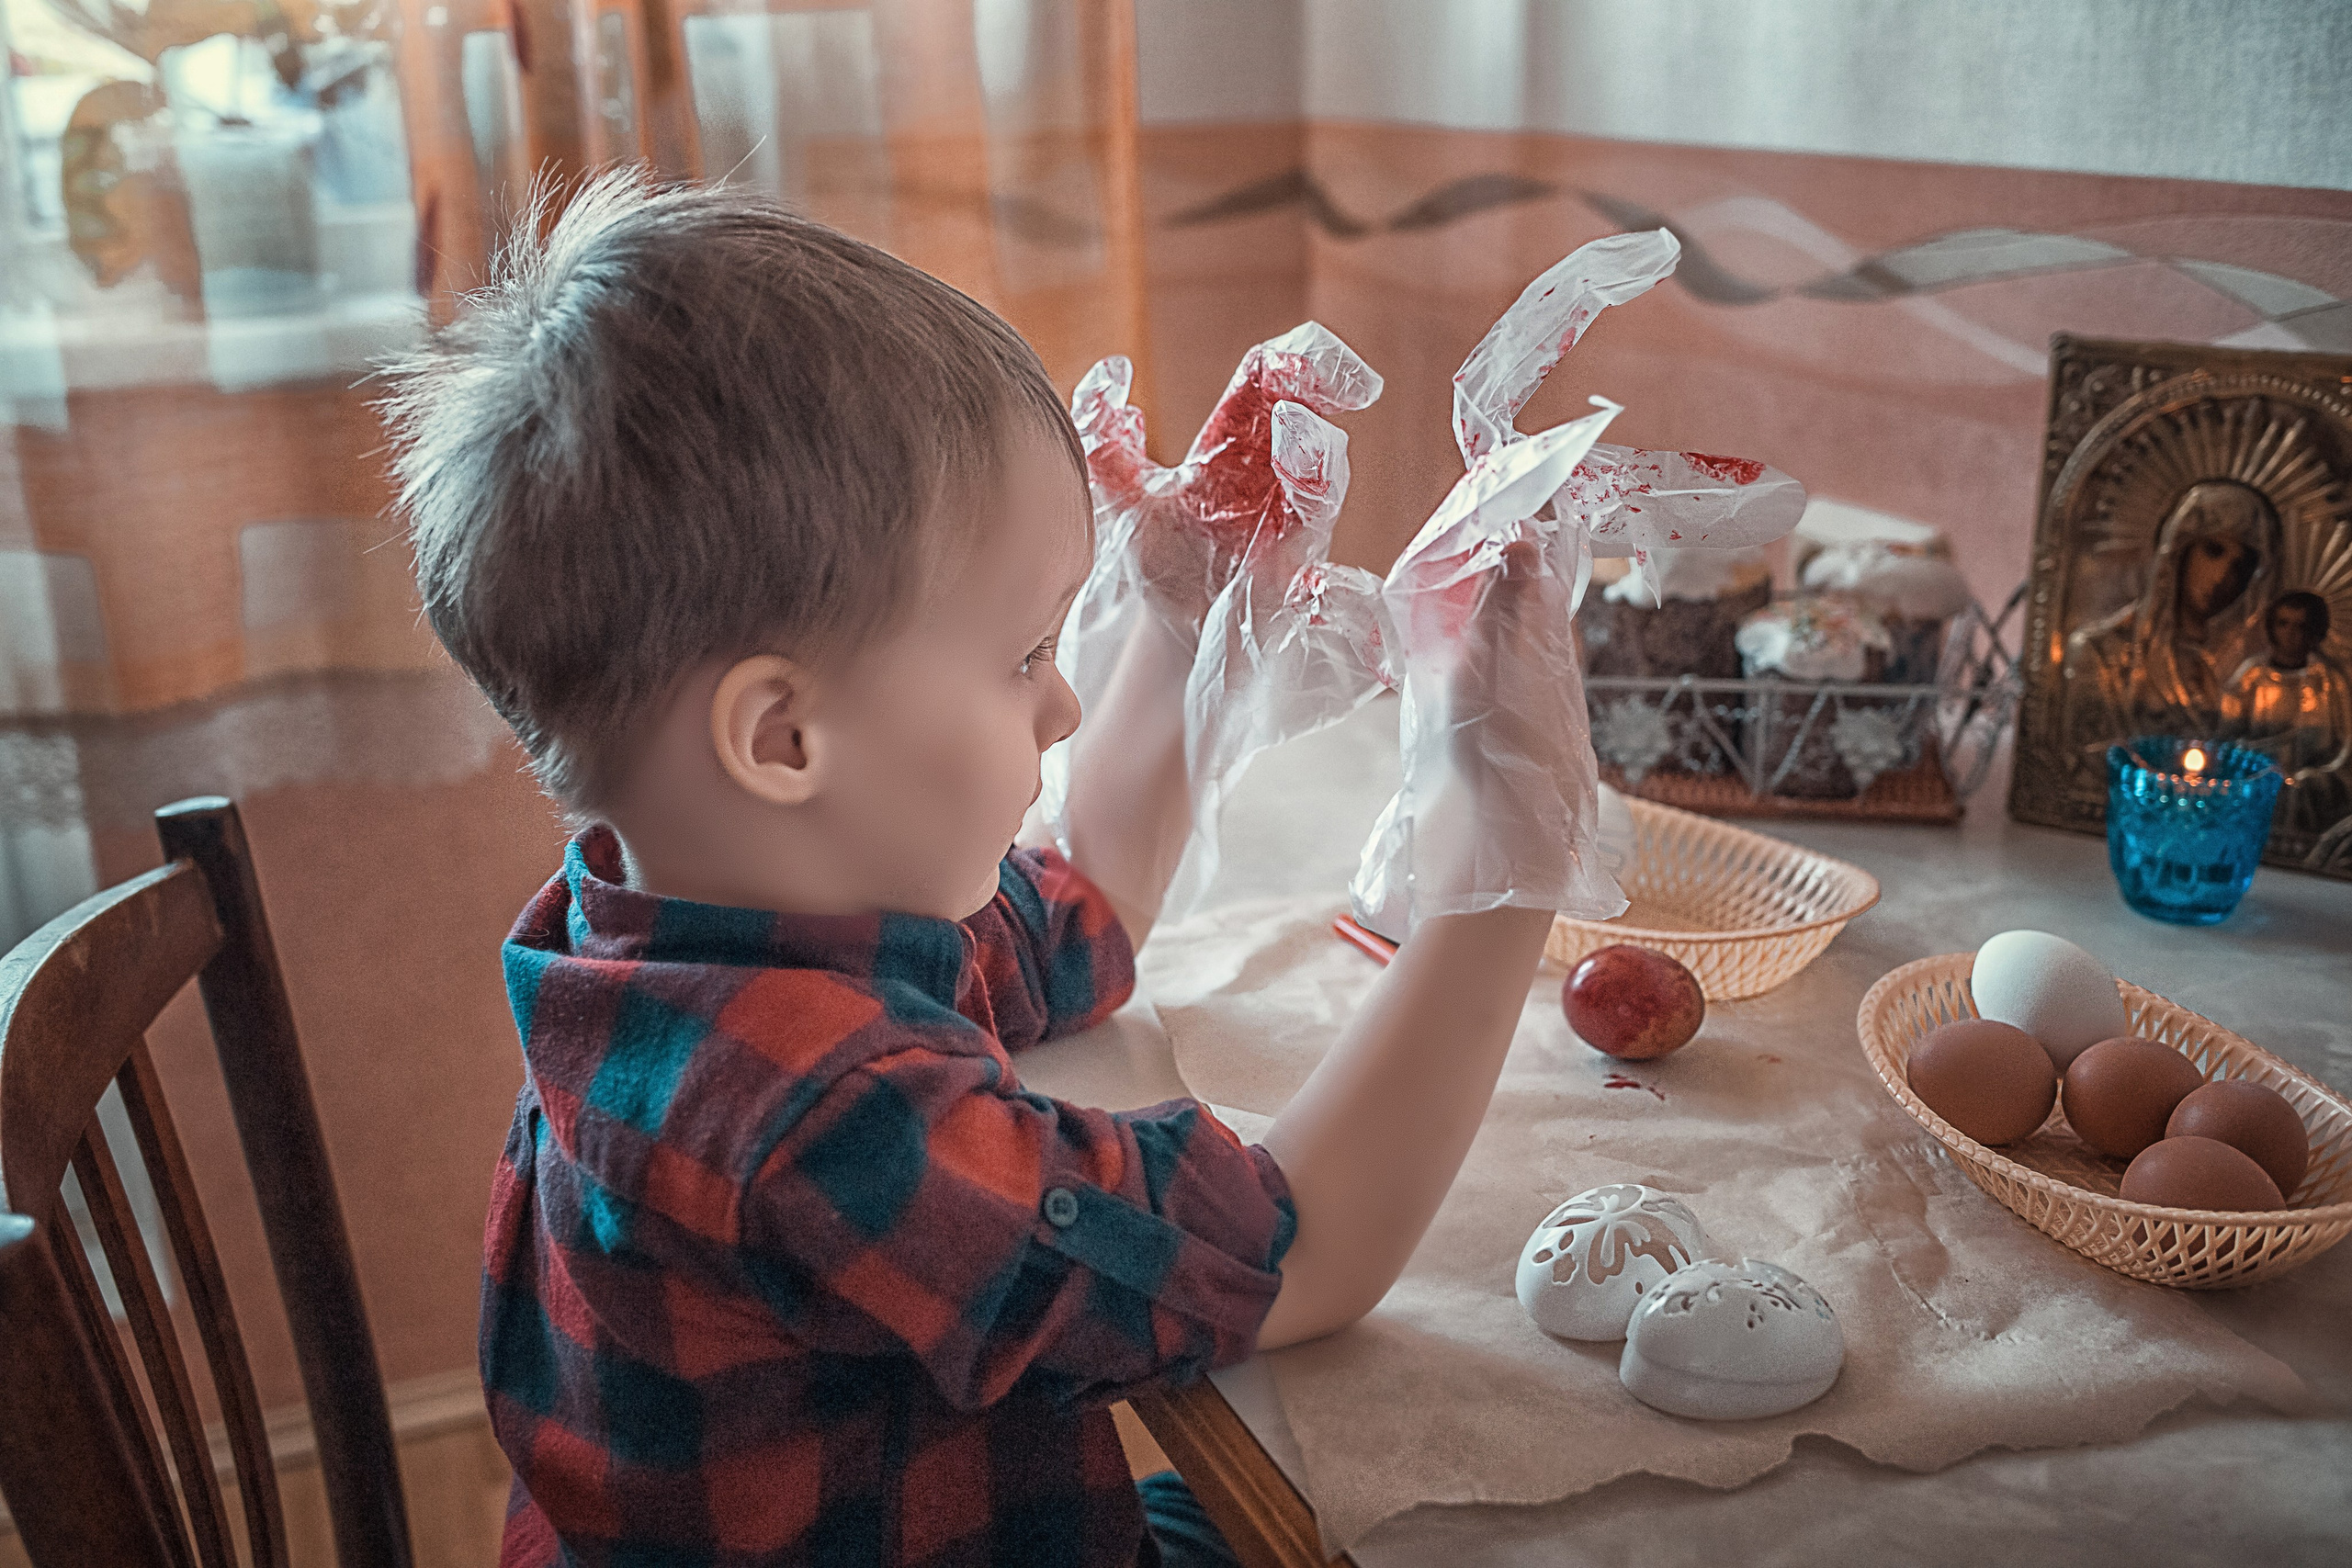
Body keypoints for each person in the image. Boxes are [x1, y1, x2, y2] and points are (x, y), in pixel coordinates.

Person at [379, 173, 1572, 1568]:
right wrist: (1505, 860)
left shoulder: (686, 922)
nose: (1061, 708)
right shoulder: (821, 1115)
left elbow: (1086, 912)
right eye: (1023, 658)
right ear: (783, 736)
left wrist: (1181, 612)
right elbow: (1301, 1252)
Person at [2061, 479, 2280, 773]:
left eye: (2242, 566)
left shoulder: (2246, 671)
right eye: (2213, 551)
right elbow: (2085, 762)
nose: (2224, 575)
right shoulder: (2102, 653)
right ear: (2179, 550)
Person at [2224, 590, 2352, 838]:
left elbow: (2345, 747)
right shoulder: (2250, 677)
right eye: (2283, 623)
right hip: (2256, 787)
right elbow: (2227, 739)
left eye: (2301, 625)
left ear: (2315, 631)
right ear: (2272, 626)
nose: (2291, 633)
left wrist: (2310, 779)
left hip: (2312, 797)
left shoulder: (2329, 681)